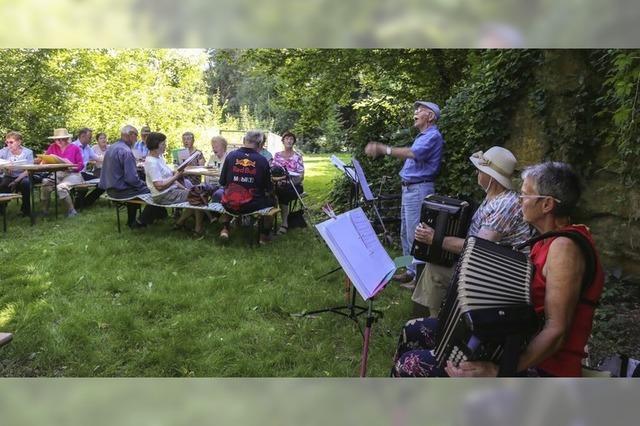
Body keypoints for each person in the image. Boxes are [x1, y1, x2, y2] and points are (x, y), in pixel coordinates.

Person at [392, 161, 604, 377]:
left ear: (547, 205)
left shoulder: (564, 248)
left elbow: (556, 330)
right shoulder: (545, 240)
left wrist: (498, 371)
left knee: (410, 364)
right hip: (513, 343)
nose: (519, 201)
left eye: (524, 195)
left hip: (543, 366)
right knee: (413, 331)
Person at [411, 146, 534, 316]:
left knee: (436, 271)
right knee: (435, 262)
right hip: (491, 265)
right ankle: (437, 320)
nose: (477, 174)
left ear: (492, 177)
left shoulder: (505, 205)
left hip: (500, 275)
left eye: (480, 170)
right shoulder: (495, 197)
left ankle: (435, 326)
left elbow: (478, 248)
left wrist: (435, 238)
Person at [365, 101, 445, 286]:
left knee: (415, 234)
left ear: (431, 116)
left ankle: (419, 280)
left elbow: (412, 153)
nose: (415, 113)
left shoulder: (432, 135)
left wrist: (382, 148)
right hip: (410, 190)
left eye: (419, 110)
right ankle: (410, 271)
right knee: (405, 233)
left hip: (418, 190)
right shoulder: (423, 136)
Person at [99, 125, 162, 229]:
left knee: (139, 188)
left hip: (109, 190)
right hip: (120, 191)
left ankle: (132, 221)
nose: (136, 139)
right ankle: (141, 221)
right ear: (131, 135)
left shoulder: (112, 147)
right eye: (136, 136)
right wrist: (145, 185)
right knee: (155, 191)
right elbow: (131, 179)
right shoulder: (126, 151)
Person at [218, 130, 274, 244]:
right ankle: (264, 236)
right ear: (259, 144)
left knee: (228, 195)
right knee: (272, 201)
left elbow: (222, 182)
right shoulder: (262, 160)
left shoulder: (231, 156)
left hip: (229, 204)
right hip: (251, 205)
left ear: (244, 141)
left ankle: (225, 228)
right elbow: (268, 188)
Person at [144, 132, 204, 237]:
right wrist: (176, 176)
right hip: (162, 195)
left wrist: (184, 188)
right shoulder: (151, 163)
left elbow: (170, 178)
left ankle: (180, 223)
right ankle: (197, 229)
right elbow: (159, 186)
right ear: (156, 145)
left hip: (170, 191)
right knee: (198, 196)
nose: (165, 146)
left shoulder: (159, 158)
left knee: (196, 193)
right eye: (163, 144)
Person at [38, 128, 84, 218]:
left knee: (61, 187)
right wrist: (44, 161)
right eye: (57, 139)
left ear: (67, 138)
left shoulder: (75, 148)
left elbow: (81, 165)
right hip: (57, 173)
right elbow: (46, 159)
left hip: (73, 174)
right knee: (45, 184)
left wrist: (71, 166)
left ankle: (71, 211)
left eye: (62, 139)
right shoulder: (52, 147)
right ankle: (45, 211)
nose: (59, 141)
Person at [271, 131, 304, 235]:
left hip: (294, 185)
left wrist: (289, 181)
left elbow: (301, 176)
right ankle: (267, 221)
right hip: (278, 183)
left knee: (283, 194)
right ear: (283, 141)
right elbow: (272, 172)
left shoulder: (297, 156)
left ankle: (284, 223)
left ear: (294, 142)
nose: (289, 140)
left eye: (291, 139)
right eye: (287, 138)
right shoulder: (277, 155)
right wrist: (279, 180)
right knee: (268, 192)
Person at [0, 131, 34, 216]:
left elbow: (29, 170)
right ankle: (2, 209)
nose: (9, 144)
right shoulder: (3, 151)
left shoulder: (28, 152)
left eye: (11, 142)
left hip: (23, 175)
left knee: (25, 183)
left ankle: (26, 210)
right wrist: (5, 168)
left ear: (19, 142)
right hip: (9, 175)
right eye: (7, 142)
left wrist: (16, 181)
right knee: (4, 184)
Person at [72, 127, 105, 209]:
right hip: (74, 174)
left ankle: (86, 202)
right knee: (102, 182)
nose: (91, 139)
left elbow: (97, 158)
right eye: (89, 137)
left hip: (83, 174)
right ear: (83, 136)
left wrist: (111, 158)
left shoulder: (87, 147)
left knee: (104, 183)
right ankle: (82, 203)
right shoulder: (73, 146)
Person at [206, 136, 228, 201]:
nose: (214, 149)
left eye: (216, 147)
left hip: (223, 186)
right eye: (213, 147)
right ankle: (200, 210)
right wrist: (207, 183)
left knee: (218, 194)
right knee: (199, 189)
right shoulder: (212, 157)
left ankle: (213, 210)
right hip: (211, 184)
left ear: (223, 147)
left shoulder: (228, 158)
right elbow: (206, 172)